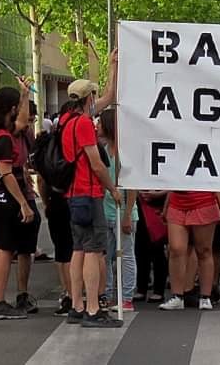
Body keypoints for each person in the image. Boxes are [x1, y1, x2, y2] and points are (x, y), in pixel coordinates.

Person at [62, 79, 122, 328]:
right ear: (89, 99)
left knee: (78, 249)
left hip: (72, 194)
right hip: (88, 193)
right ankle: (93, 309)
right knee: (93, 250)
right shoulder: (85, 124)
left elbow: (108, 96)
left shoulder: (65, 121)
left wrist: (112, 66)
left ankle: (77, 304)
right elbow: (96, 163)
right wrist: (113, 189)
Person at [0, 82, 35, 320]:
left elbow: (22, 122)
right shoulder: (3, 139)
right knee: (4, 250)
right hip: (5, 196)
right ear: (11, 109)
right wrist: (23, 202)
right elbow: (6, 173)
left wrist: (23, 94)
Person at [159, 188, 220, 311]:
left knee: (204, 250)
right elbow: (171, 181)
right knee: (176, 249)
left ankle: (205, 296)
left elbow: (219, 184)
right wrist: (166, 206)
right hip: (177, 203)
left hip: (204, 202)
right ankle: (177, 296)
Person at [98, 109, 138, 312]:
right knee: (107, 255)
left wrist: (128, 215)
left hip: (123, 211)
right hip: (106, 210)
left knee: (127, 255)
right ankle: (109, 293)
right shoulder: (103, 150)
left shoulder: (124, 152)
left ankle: (127, 296)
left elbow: (132, 187)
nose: (97, 127)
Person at [40, 100, 77, 316]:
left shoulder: (48, 144)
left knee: (61, 251)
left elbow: (42, 181)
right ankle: (75, 296)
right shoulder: (73, 144)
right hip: (72, 199)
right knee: (75, 250)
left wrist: (45, 203)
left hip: (54, 201)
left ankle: (67, 293)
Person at [11, 101, 42, 315]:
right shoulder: (8, 134)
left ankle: (22, 292)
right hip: (11, 195)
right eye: (29, 119)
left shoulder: (28, 137)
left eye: (33, 120)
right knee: (1, 248)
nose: (30, 124)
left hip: (26, 192)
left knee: (25, 248)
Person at [134, 190, 169, 303]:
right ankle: (141, 288)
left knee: (157, 249)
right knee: (140, 250)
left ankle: (159, 290)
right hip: (140, 202)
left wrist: (158, 194)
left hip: (160, 202)